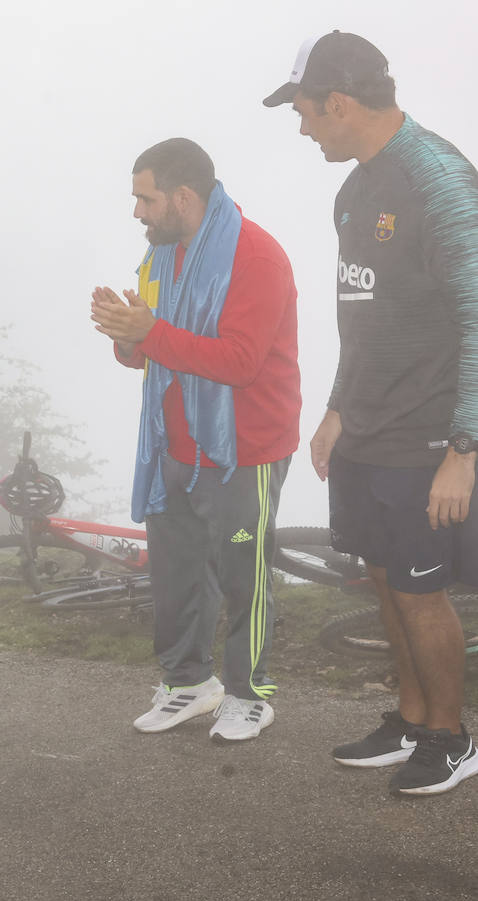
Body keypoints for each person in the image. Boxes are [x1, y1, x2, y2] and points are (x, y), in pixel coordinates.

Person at [265, 31, 478, 795]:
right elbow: (364, 315)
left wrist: (465, 446)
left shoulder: (440, 182)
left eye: (304, 112)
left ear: (339, 103)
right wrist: (334, 410)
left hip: (428, 436)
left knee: (423, 592)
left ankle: (452, 738)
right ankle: (412, 720)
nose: (301, 127)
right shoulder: (355, 189)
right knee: (385, 581)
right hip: (368, 429)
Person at [92, 138, 300, 743]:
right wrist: (126, 335)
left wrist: (149, 333)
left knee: (242, 575)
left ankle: (248, 694)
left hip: (244, 448)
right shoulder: (161, 258)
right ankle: (188, 684)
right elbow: (148, 357)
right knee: (177, 573)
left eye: (145, 199)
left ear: (184, 197)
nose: (137, 212)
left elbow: (238, 362)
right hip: (173, 448)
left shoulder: (256, 255)